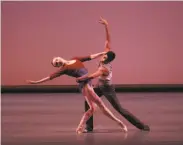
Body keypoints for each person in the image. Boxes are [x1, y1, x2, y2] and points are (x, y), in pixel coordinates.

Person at [77, 16, 150, 132]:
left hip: (107, 89)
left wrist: (81, 78)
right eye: (103, 54)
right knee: (88, 103)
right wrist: (106, 26)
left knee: (119, 109)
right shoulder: (105, 55)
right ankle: (89, 127)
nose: (102, 56)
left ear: (107, 60)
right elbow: (108, 40)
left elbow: (93, 75)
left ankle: (141, 126)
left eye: (104, 56)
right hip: (100, 87)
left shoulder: (104, 68)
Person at [27, 52, 127, 134]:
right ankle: (120, 123)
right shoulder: (63, 69)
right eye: (56, 64)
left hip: (87, 83)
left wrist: (102, 53)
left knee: (93, 108)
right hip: (85, 85)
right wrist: (36, 82)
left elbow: (90, 57)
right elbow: (49, 77)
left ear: (58, 56)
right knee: (100, 106)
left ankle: (79, 127)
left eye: (56, 60)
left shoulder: (75, 59)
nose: (57, 62)